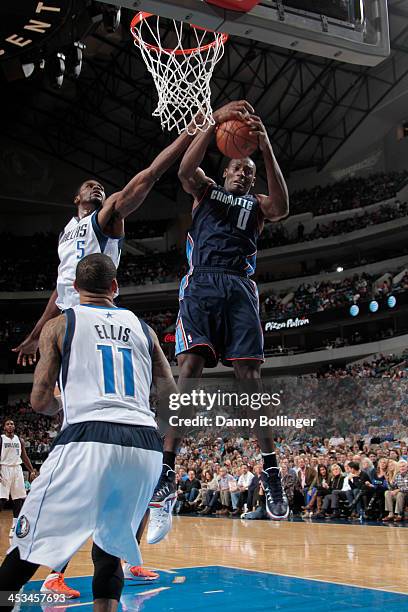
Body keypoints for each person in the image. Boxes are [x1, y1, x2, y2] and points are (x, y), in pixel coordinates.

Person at [10, 109, 234, 592]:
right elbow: (58, 288)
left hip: (92, 323)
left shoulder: (106, 218)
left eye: (101, 187)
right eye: (89, 186)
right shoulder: (67, 238)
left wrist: (184, 140)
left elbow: (148, 177)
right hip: (73, 327)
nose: (97, 189)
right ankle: (64, 570)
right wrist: (36, 332)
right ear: (75, 198)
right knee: (93, 456)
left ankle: (77, 567)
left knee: (91, 454)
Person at [0, 254, 176, 612]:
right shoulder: (145, 329)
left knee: (27, 547)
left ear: (76, 289)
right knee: (110, 551)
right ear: (115, 287)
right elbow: (173, 396)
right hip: (144, 445)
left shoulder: (60, 325)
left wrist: (64, 404)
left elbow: (39, 401)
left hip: (88, 437)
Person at [172, 104, 290, 521]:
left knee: (250, 380)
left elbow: (281, 207)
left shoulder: (257, 204)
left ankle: (272, 470)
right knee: (188, 367)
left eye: (250, 172)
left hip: (240, 286)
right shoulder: (205, 189)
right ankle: (167, 469)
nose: (244, 174)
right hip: (202, 281)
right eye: (238, 169)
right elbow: (186, 170)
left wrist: (267, 147)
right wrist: (209, 124)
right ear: (224, 170)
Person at [0, 419, 36, 538]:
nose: (10, 426)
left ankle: (14, 526)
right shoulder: (1, 439)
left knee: (18, 499)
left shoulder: (19, 440)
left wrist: (31, 470)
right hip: (3, 468)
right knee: (2, 499)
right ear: (4, 427)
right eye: (8, 424)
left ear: (14, 427)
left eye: (12, 424)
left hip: (17, 469)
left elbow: (24, 456)